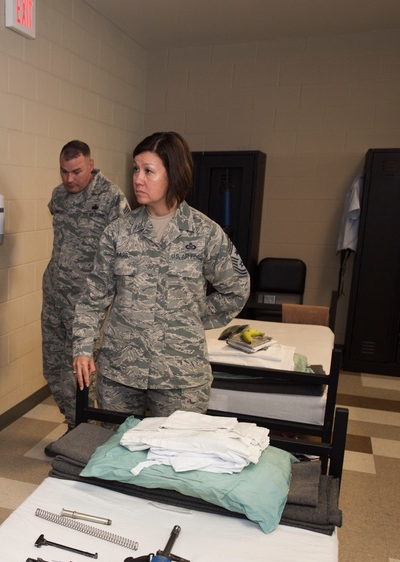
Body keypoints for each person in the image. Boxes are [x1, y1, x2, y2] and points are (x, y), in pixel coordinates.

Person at [72, 131, 250, 418]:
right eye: (136, 169)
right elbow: (92, 298)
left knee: (176, 459)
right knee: (117, 454)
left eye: (148, 171)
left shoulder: (205, 233)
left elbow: (237, 289)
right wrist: (81, 348)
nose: (138, 178)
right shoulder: (117, 233)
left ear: (174, 175)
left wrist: (189, 317)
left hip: (181, 378)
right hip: (120, 375)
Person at [42, 140, 129, 428]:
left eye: (76, 171)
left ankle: (90, 430)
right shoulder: (58, 196)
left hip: (89, 303)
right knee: (54, 367)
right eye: (64, 172)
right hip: (55, 295)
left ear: (90, 165)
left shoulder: (111, 198)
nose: (69, 179)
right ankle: (73, 425)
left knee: (84, 371)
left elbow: (125, 253)